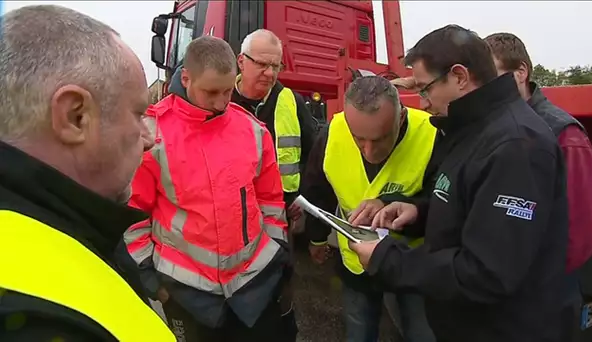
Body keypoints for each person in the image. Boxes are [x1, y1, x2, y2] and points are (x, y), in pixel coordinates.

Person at [350, 25, 573, 342]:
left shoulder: (517, 146)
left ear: (459, 76)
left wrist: (389, 260)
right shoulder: (467, 131)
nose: (423, 102)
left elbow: (487, 272)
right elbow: (467, 204)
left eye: (425, 89)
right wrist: (416, 212)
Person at [0, 5, 175, 342]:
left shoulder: (53, 230)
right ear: (75, 116)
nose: (149, 138)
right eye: (139, 113)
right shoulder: (38, 322)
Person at [116, 35, 295, 342]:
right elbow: (132, 214)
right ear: (185, 78)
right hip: (186, 293)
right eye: (211, 92)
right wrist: (148, 276)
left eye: (227, 91)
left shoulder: (252, 129)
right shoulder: (151, 134)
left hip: (254, 284)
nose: (221, 102)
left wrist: (277, 251)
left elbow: (271, 201)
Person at [484, 32, 592, 338]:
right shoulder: (492, 128)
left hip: (543, 298)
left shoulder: (564, 134)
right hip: (502, 293)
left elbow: (582, 233)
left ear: (520, 72)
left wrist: (535, 280)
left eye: (493, 76)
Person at [303, 75, 437, 342]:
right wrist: (316, 238)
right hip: (356, 263)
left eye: (380, 139)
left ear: (400, 119)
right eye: (359, 138)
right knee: (359, 330)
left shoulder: (431, 133)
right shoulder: (334, 130)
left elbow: (445, 204)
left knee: (421, 332)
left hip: (411, 261)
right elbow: (317, 188)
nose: (369, 151)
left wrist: (397, 206)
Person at [230, 29, 317, 322]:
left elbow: (313, 152)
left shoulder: (289, 100)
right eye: (262, 64)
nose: (270, 73)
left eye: (276, 66)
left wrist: (301, 198)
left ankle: (278, 318)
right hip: (233, 211)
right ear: (241, 62)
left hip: (279, 211)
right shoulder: (221, 96)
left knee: (278, 276)